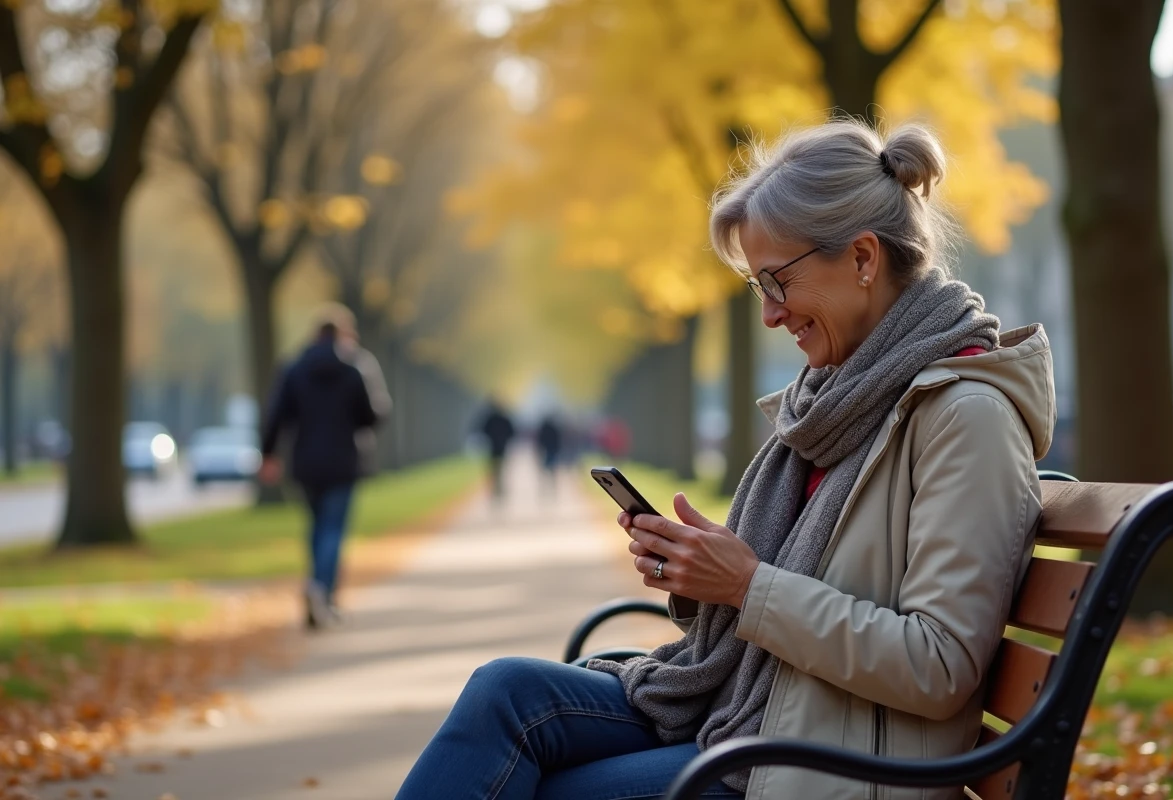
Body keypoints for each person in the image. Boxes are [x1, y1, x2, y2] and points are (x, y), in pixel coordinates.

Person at [394, 120, 1055, 800]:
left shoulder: (964, 417)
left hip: (838, 764)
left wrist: (748, 586)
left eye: (778, 282)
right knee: (505, 692)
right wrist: (706, 576)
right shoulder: (844, 400)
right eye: (757, 289)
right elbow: (815, 587)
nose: (770, 315)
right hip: (764, 714)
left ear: (862, 259)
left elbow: (938, 666)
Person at [260, 305, 384, 630]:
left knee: (317, 528)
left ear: (316, 334)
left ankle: (319, 590)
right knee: (333, 530)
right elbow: (372, 416)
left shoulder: (294, 369)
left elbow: (277, 415)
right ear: (342, 334)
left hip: (306, 463)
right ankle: (322, 591)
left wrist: (268, 454)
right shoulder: (353, 369)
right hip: (343, 461)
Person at [477, 399, 516, 502]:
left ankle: (496, 489)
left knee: (494, 470)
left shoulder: (490, 419)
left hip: (493, 448)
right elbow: (512, 432)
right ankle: (499, 489)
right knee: (500, 469)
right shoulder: (504, 419)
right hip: (501, 447)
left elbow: (483, 430)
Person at [535, 413, 563, 496]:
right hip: (552, 450)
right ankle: (552, 486)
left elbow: (540, 440)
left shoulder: (543, 429)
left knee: (545, 470)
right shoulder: (554, 428)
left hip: (546, 451)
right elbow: (558, 440)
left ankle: (545, 487)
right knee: (552, 470)